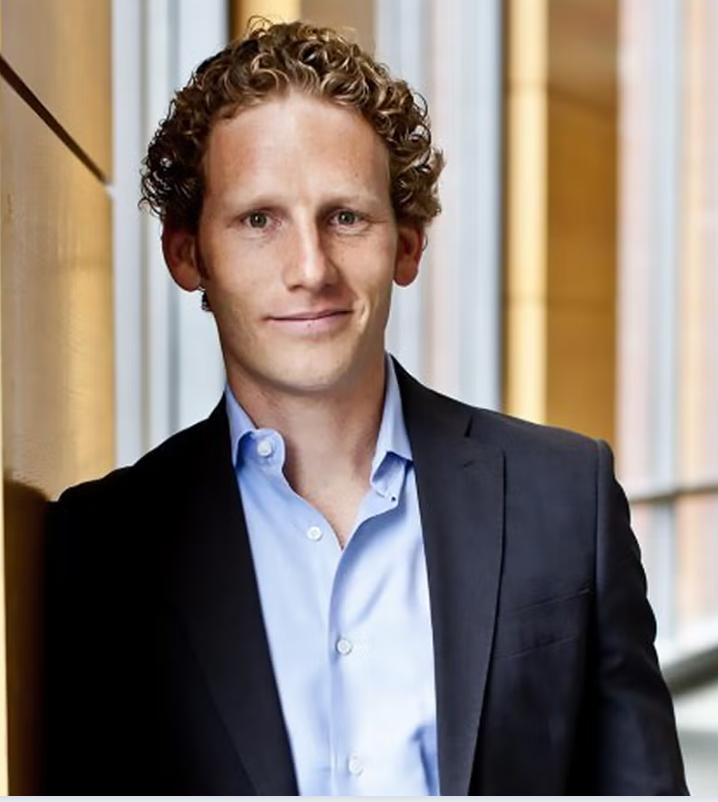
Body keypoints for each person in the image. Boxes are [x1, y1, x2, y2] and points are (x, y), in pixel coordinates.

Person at [43, 19, 688, 795]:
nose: (310, 269)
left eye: (346, 217)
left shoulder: (566, 495)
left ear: (407, 245)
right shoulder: (104, 546)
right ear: (189, 255)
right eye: (259, 221)